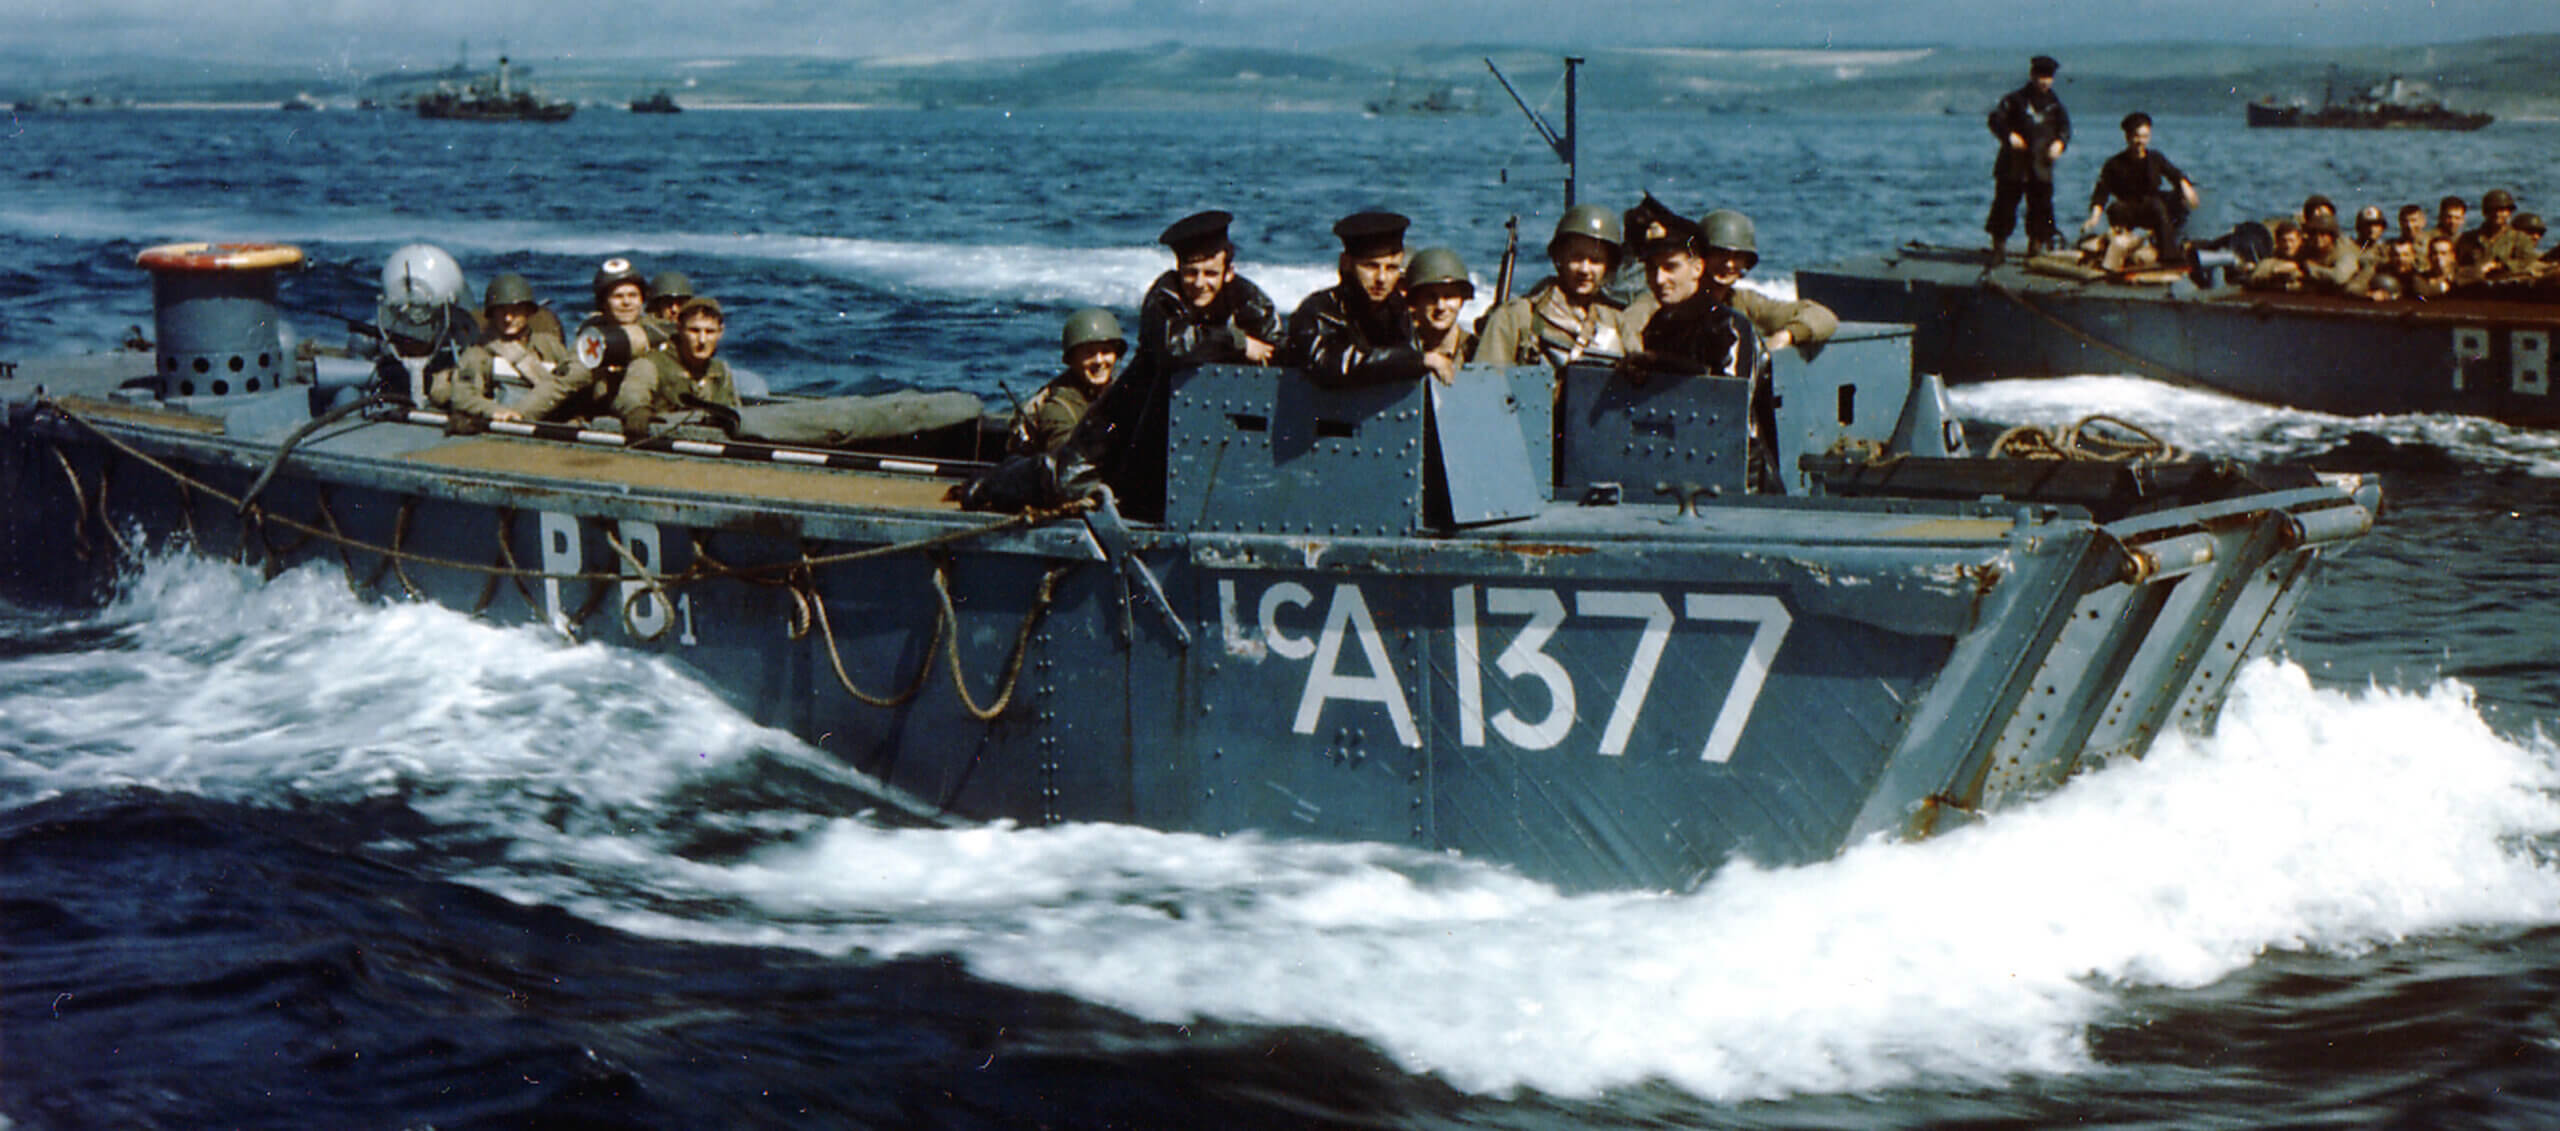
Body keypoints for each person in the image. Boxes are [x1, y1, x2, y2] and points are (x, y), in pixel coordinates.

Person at [1624, 208, 1836, 354]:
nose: (1728, 264)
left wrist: (1786, 336)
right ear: (1700, 260)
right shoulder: (1663, 299)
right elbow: (1628, 329)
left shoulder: (1743, 301)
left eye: (1737, 257)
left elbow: (1822, 316)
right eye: (1720, 254)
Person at [1284, 210, 1441, 386]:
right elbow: (1330, 365)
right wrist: (1415, 361)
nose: (1382, 278)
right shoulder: (1318, 312)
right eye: (1371, 266)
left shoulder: (1397, 310)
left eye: (1391, 268)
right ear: (1346, 263)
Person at [1475, 203, 1630, 367]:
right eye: (1576, 258)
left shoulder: (1617, 322)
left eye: (1595, 261)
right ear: (1560, 258)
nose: (1585, 269)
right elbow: (1486, 381)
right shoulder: (1517, 317)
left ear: (1608, 266)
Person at [1136, 210, 1283, 372]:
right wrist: (1238, 342)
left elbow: (1275, 346)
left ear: (1228, 273)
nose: (1199, 283)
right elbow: (1175, 348)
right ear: (1179, 271)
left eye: (1210, 274)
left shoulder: (1248, 298)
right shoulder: (1165, 296)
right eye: (1191, 273)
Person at [433, 273, 577, 422]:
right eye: (501, 310)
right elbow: (463, 396)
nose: (508, 318)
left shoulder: (550, 346)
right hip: (505, 429)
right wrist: (495, 411)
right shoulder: (480, 353)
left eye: (515, 310)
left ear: (528, 311)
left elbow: (571, 382)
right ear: (492, 314)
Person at [613, 296, 740, 438]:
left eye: (710, 332)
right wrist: (638, 411)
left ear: (720, 332)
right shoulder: (651, 364)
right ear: (679, 329)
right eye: (694, 331)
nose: (702, 340)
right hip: (663, 441)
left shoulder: (720, 371)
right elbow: (632, 394)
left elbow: (735, 411)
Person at [1985, 54, 2071, 260]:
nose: (2045, 81)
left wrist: (2060, 143)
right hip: (2014, 163)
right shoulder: (2015, 100)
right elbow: (1995, 119)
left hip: (2041, 164)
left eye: (2048, 77)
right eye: (2041, 76)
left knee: (2042, 207)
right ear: (2032, 75)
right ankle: (1999, 247)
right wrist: (2008, 136)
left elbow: (2065, 129)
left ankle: (2037, 247)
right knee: (2004, 205)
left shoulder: (2055, 105)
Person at [1010, 307, 1125, 457]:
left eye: (1106, 351)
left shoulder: (1119, 390)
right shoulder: (1058, 406)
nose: (1099, 361)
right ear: (1072, 359)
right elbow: (1067, 461)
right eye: (1089, 353)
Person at [2086, 113, 2199, 262]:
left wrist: (2186, 187)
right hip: (2128, 208)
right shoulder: (2114, 164)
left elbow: (2175, 174)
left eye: (2145, 137)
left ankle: (2176, 242)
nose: (2141, 141)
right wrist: (2094, 218)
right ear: (2128, 137)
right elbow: (2101, 193)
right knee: (2154, 206)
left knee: (2176, 199)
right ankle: (2169, 257)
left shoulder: (2155, 158)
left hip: (2153, 205)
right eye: (2137, 137)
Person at [1400, 247, 1475, 370]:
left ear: (1462, 301)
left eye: (1449, 296)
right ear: (1415, 301)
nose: (1440, 306)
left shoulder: (1476, 349)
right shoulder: (1400, 349)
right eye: (1431, 297)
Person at [2456, 188, 2518, 276]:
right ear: (2485, 212)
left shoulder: (2519, 239)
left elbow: (2526, 262)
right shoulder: (2468, 239)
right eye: (2494, 210)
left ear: (2509, 213)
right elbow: (2459, 265)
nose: (2498, 214)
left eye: (2503, 210)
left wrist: (2499, 266)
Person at [2298, 215, 2363, 294]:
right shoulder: (2310, 247)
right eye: (2314, 233)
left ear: (2332, 236)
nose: (2317, 238)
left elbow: (2339, 277)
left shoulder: (2345, 252)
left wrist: (2312, 269)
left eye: (2323, 234)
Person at [2243, 221, 2307, 293]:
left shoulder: (2308, 257)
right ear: (2277, 242)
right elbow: (2254, 279)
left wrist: (2297, 267)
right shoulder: (2270, 262)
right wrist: (2275, 270)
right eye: (2284, 241)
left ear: (2299, 241)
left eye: (2291, 240)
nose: (2288, 245)